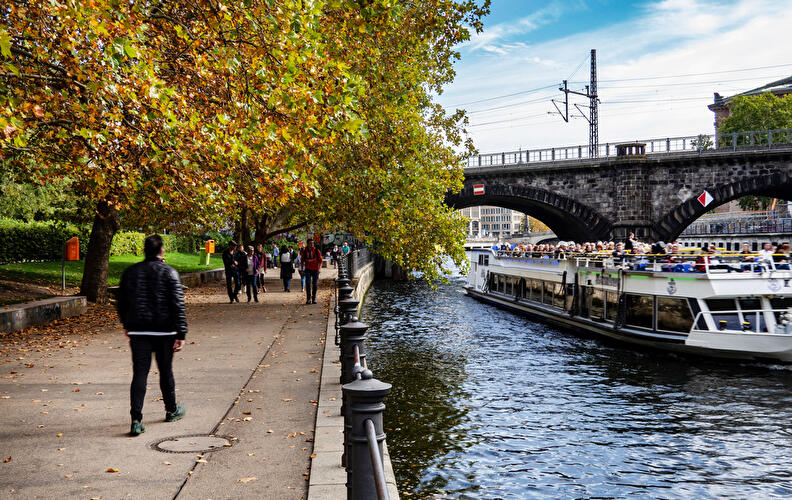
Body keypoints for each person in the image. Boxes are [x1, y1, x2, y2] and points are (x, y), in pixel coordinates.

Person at [117, 234, 187, 436]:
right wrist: (181, 332)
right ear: (161, 251)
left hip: (139, 331)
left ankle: (136, 419)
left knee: (140, 373)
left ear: (144, 250)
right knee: (166, 371)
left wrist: (127, 324)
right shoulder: (170, 273)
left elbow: (121, 302)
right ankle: (171, 409)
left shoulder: (131, 272)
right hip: (165, 331)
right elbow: (178, 305)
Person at [300, 238, 323, 304]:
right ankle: (308, 299)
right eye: (310, 243)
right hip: (308, 270)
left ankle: (314, 298)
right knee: (308, 284)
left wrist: (319, 269)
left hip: (315, 270)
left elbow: (320, 261)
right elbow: (302, 261)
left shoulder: (316, 250)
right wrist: (302, 270)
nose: (312, 244)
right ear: (308, 244)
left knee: (315, 284)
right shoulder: (304, 251)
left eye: (313, 243)